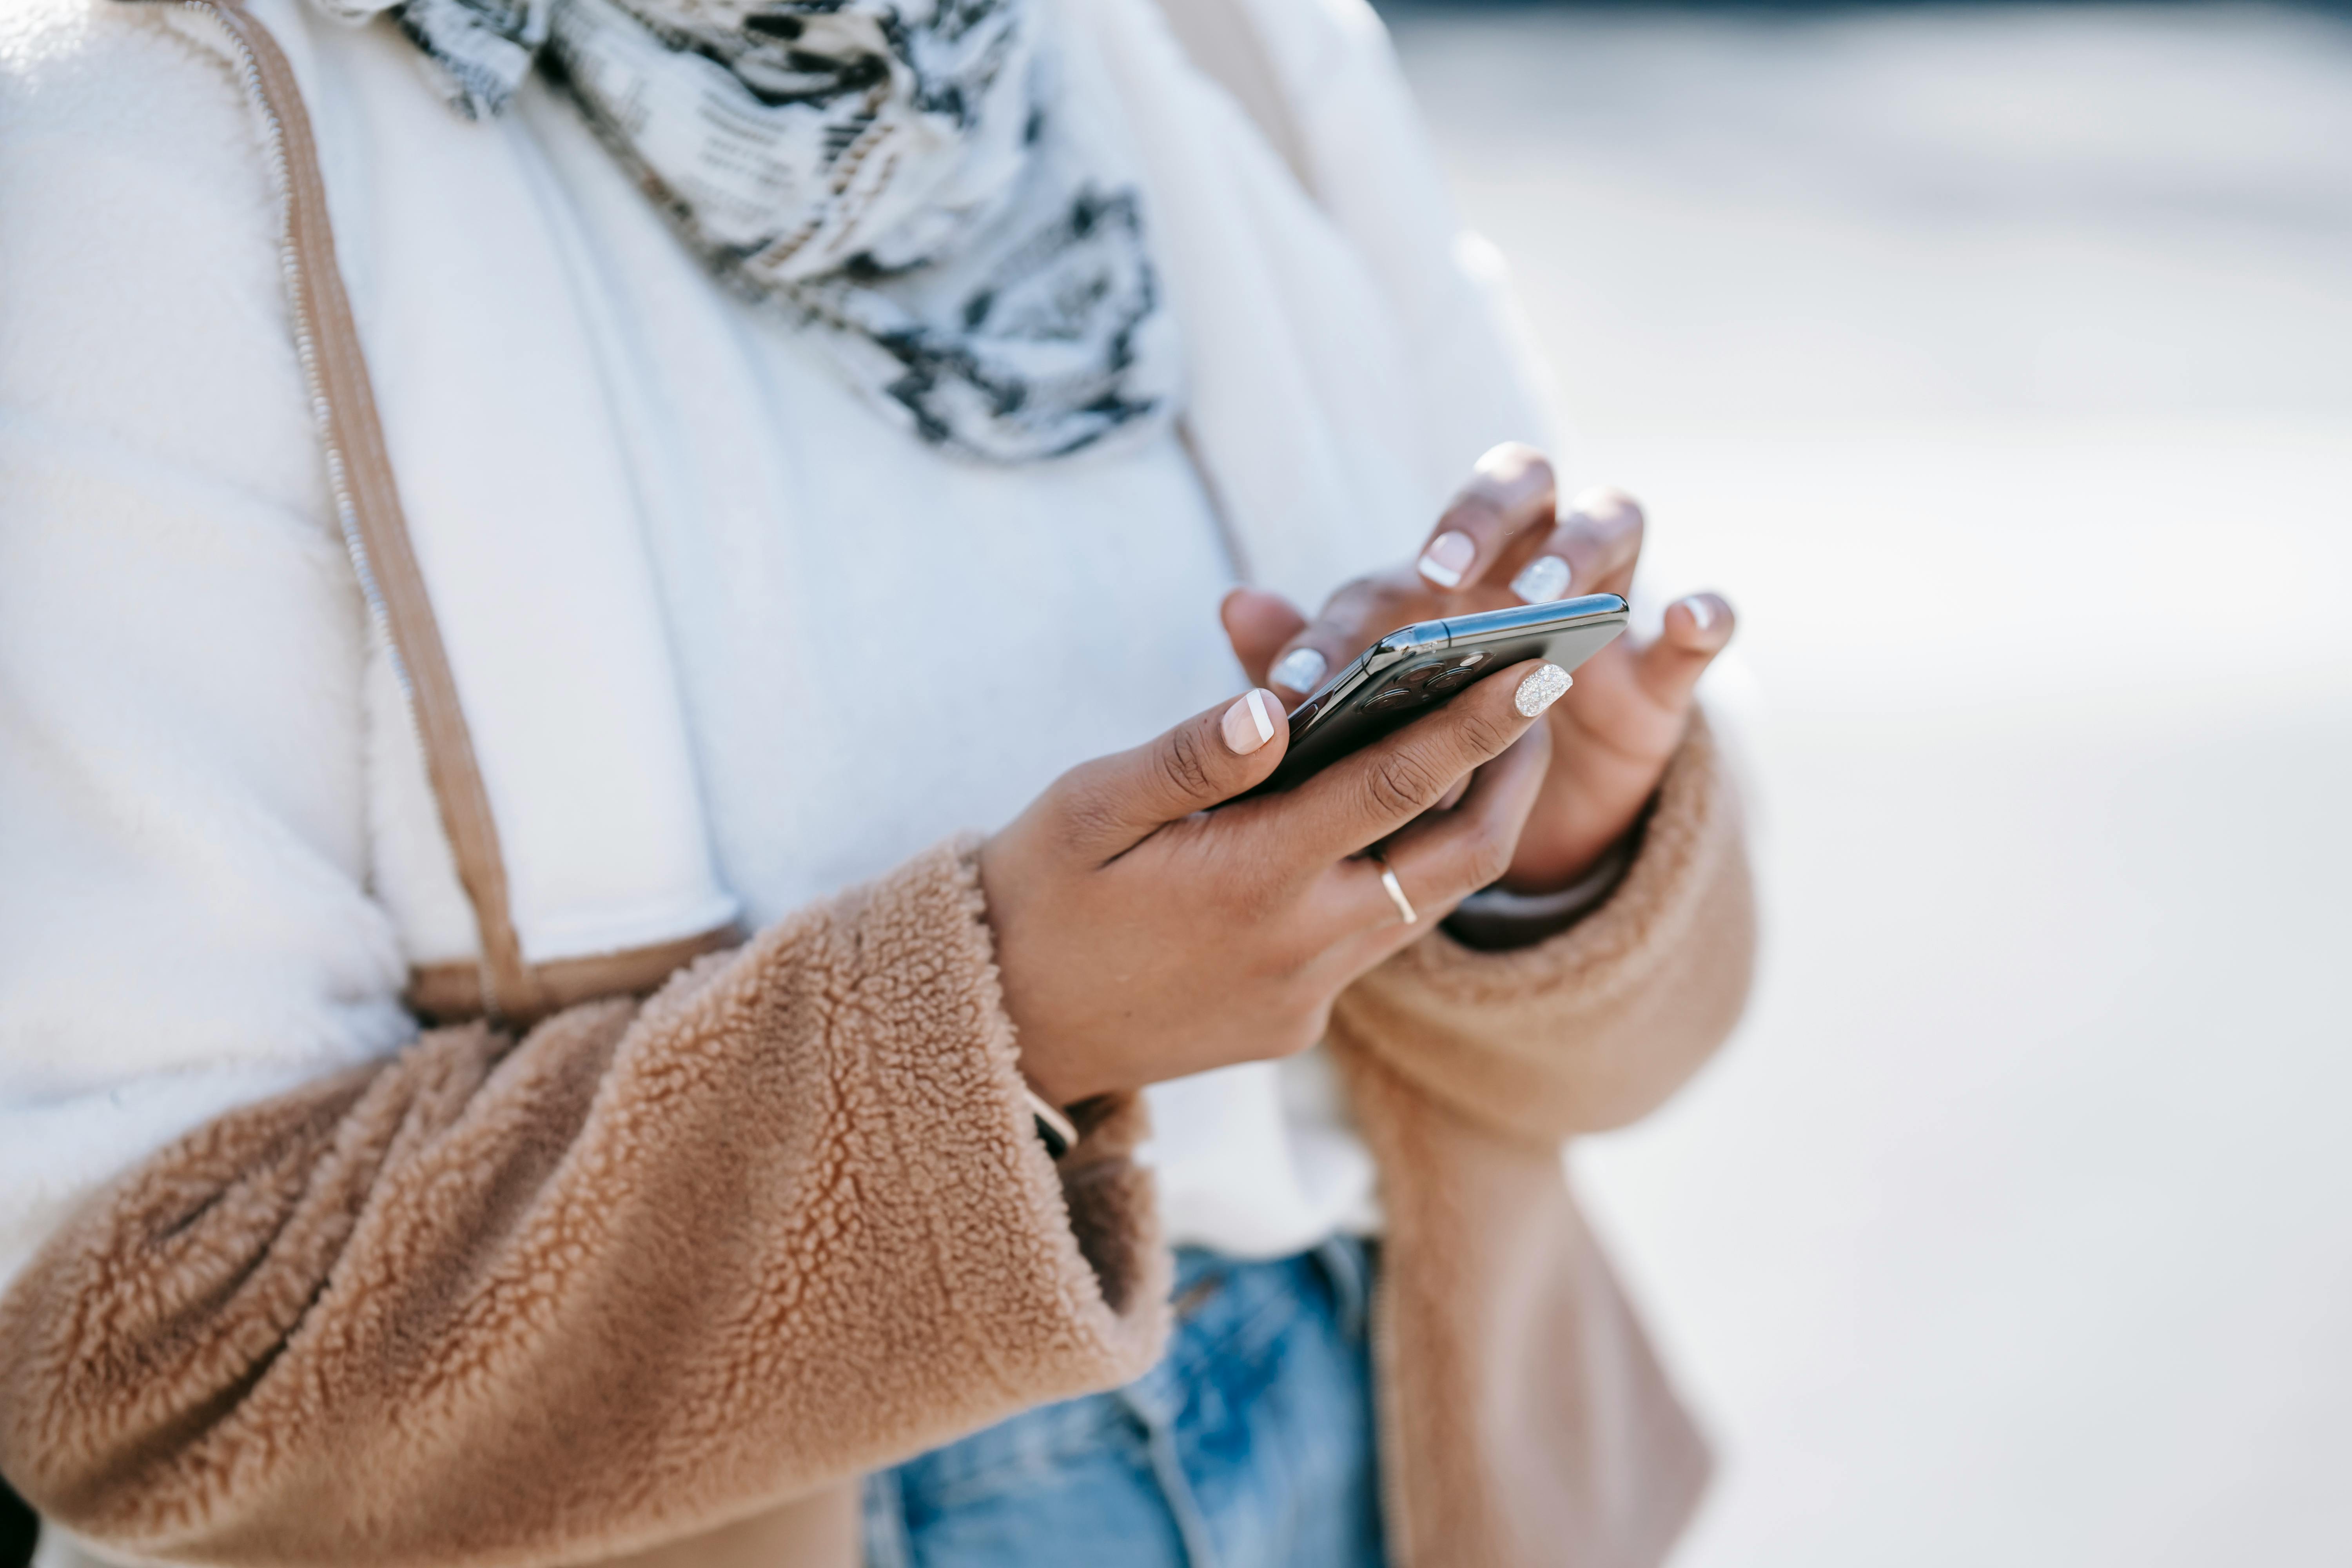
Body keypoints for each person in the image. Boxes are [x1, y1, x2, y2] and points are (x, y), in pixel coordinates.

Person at [0, 0, 1754, 1564]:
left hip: (1390, 1440)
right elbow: (140, 1353)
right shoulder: (132, 152)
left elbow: (1634, 1049)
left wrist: (1541, 857)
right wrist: (1010, 1032)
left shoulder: (1212, 39)